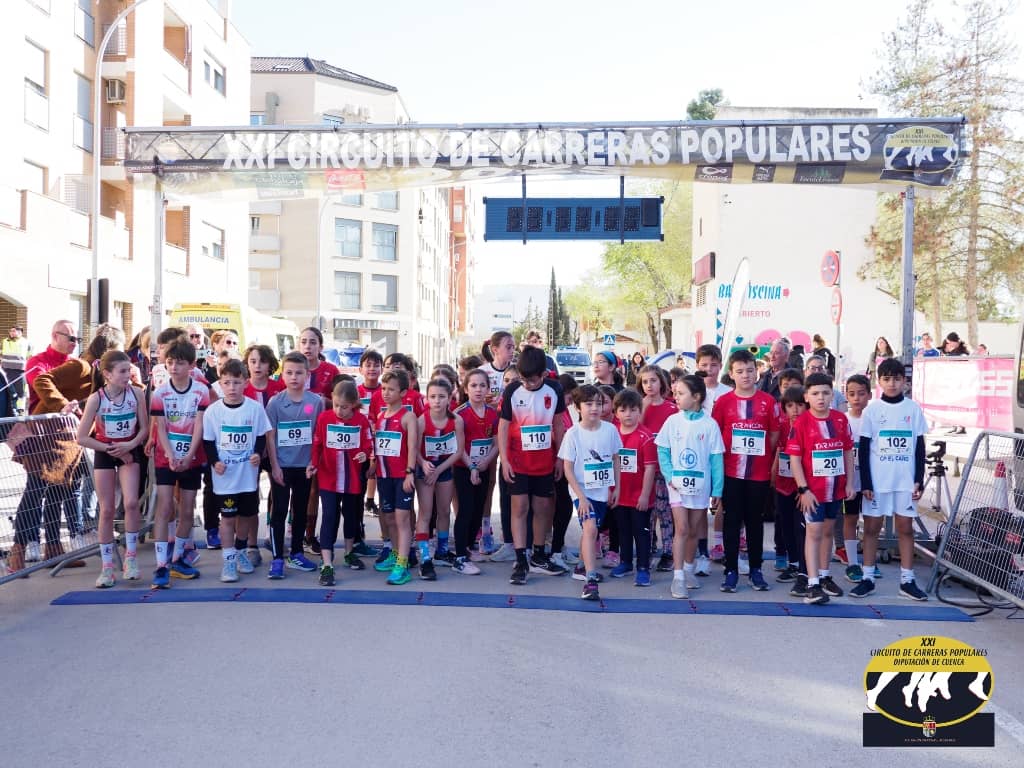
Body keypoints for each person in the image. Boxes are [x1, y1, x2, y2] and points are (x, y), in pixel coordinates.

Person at [854, 357, 929, 601]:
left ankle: (907, 580)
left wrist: (918, 479)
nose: (892, 384)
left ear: (904, 381)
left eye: (897, 379)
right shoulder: (872, 410)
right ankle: (867, 578)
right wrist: (866, 483)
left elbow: (919, 447)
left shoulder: (913, 409)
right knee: (871, 529)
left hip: (905, 481)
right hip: (878, 482)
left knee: (905, 528)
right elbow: (864, 448)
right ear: (879, 381)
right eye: (886, 379)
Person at [712, 349, 785, 593]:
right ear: (731, 374)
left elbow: (774, 435)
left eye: (750, 370)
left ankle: (756, 569)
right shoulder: (723, 402)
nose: (745, 375)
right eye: (740, 371)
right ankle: (730, 569)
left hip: (758, 474)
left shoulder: (768, 402)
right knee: (731, 521)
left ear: (757, 372)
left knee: (755, 522)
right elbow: (716, 436)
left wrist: (763, 457)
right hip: (730, 472)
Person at [74, 350, 149, 588]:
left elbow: (144, 429)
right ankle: (107, 567)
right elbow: (82, 437)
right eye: (123, 371)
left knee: (131, 503)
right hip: (106, 452)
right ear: (107, 374)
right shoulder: (97, 399)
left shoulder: (137, 393)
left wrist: (129, 445)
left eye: (129, 370)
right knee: (106, 509)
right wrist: (110, 449)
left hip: (129, 451)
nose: (128, 375)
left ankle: (131, 558)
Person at [498, 345, 568, 585]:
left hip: (545, 462)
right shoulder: (512, 391)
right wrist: (504, 460)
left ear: (544, 374)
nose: (527, 384)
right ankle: (521, 559)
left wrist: (560, 458)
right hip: (518, 461)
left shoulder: (555, 389)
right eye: (523, 379)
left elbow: (559, 425)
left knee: (542, 507)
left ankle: (538, 555)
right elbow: (503, 427)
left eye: (532, 380)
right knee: (519, 508)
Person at [786, 372, 855, 605]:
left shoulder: (840, 420)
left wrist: (850, 482)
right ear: (806, 396)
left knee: (828, 532)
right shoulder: (802, 423)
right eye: (815, 393)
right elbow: (795, 459)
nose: (821, 398)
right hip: (813, 492)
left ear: (832, 395)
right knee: (813, 533)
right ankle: (812, 583)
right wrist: (803, 490)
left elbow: (847, 451)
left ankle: (825, 576)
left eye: (826, 393)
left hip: (835, 489)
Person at [202, 359, 271, 583]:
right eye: (227, 383)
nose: (232, 388)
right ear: (220, 384)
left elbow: (261, 435)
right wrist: (214, 462)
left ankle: (241, 551)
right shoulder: (213, 411)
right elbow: (208, 441)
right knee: (228, 518)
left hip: (247, 475)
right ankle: (229, 560)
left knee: (247, 516)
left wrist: (258, 453)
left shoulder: (255, 408)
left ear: (245, 383)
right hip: (225, 477)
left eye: (237, 382)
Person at [657, 375, 724, 599]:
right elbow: (663, 450)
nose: (676, 397)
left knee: (694, 530)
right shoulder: (672, 421)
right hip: (677, 485)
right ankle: (678, 578)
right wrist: (669, 476)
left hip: (700, 486)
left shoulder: (710, 425)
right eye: (675, 393)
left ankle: (688, 569)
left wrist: (717, 489)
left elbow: (716, 459)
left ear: (696, 397)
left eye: (681, 393)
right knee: (682, 528)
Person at [149, 339, 210, 588]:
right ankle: (161, 565)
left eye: (180, 363)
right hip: (165, 458)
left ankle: (177, 559)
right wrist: (170, 454)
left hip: (192, 459)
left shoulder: (201, 391)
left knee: (187, 510)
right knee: (164, 508)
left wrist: (189, 454)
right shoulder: (160, 393)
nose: (174, 368)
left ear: (192, 365)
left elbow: (200, 425)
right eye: (170, 362)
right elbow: (160, 427)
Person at [559, 384, 622, 601]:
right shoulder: (573, 434)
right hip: (581, 491)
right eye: (588, 404)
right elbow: (568, 468)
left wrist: (617, 487)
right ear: (577, 408)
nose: (594, 408)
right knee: (590, 528)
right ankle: (591, 580)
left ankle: (580, 566)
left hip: (602, 491)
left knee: (591, 532)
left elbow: (615, 458)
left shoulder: (610, 430)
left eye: (598, 403)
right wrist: (581, 497)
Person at [265, 351, 324, 578]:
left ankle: (297, 553)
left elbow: (318, 435)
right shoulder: (275, 403)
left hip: (304, 467)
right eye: (289, 373)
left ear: (307, 375)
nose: (294, 377)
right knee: (279, 511)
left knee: (300, 511)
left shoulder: (315, 402)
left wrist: (313, 461)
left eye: (299, 373)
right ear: (282, 375)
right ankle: (277, 558)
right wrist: (274, 466)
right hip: (282, 466)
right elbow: (270, 437)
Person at [309, 380, 373, 586]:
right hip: (328, 477)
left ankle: (348, 552)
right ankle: (327, 563)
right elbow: (317, 444)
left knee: (351, 515)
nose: (339, 410)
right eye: (336, 405)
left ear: (353, 404)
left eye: (344, 407)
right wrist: (313, 464)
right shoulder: (325, 418)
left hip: (352, 477)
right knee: (329, 516)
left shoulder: (361, 421)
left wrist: (365, 454)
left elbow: (368, 444)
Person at [413, 377, 464, 580]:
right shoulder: (421, 420)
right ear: (427, 398)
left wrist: (440, 469)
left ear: (449, 398)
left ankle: (442, 550)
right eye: (432, 396)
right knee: (425, 513)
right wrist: (423, 463)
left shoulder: (456, 421)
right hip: (425, 469)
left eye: (441, 396)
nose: (437, 401)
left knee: (444, 511)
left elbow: (458, 451)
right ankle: (425, 557)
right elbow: (413, 449)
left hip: (444, 468)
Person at [372, 369, 419, 585]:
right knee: (389, 517)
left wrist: (410, 472)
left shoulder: (408, 417)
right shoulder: (381, 416)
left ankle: (403, 563)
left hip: (402, 476)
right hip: (384, 476)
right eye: (383, 388)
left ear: (403, 392)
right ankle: (395, 553)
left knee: (402, 519)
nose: (385, 393)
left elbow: (412, 447)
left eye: (391, 389)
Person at [452, 368, 499, 574]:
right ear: (466, 389)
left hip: (483, 467)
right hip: (464, 468)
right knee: (466, 509)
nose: (478, 389)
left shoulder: (492, 414)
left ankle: (470, 547)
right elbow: (458, 446)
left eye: (482, 385)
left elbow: (496, 443)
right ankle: (460, 557)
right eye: (473, 385)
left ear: (488, 388)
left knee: (479, 508)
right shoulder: (460, 414)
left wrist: (486, 461)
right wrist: (471, 466)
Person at [298, 326, 341, 553]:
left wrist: (322, 401)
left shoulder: (330, 370)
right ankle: (288, 531)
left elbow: (343, 400)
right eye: (304, 341)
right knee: (291, 488)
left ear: (321, 347)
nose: (308, 346)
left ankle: (309, 535)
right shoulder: (292, 366)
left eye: (313, 342)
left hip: (322, 437)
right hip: (296, 437)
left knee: (314, 488)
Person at [610, 388, 657, 585]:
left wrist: (645, 495)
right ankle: (626, 562)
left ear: (640, 411)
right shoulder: (612, 433)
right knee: (623, 530)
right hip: (619, 495)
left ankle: (643, 567)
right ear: (616, 412)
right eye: (623, 410)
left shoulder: (646, 437)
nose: (628, 414)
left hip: (639, 497)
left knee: (641, 532)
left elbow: (650, 468)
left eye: (633, 410)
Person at [695, 344, 731, 574]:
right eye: (704, 365)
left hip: (721, 452)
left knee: (722, 501)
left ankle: (720, 543)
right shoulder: (693, 389)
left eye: (714, 365)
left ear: (720, 366)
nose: (709, 369)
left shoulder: (728, 392)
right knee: (699, 506)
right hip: (697, 453)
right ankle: (701, 553)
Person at [637, 364, 677, 573]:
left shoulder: (672, 408)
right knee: (648, 511)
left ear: (661, 382)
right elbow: (635, 429)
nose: (649, 385)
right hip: (645, 469)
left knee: (665, 511)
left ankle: (668, 551)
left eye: (653, 380)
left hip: (665, 468)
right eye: (645, 382)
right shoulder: (638, 407)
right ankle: (649, 548)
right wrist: (642, 409)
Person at [773, 386, 807, 593]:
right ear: (784, 408)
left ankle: (804, 567)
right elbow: (778, 450)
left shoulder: (809, 426)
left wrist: (804, 487)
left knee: (800, 527)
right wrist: (772, 473)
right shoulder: (782, 426)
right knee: (785, 524)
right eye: (790, 405)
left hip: (802, 487)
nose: (795, 410)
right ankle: (792, 562)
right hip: (782, 483)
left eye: (800, 405)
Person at [839, 374, 871, 582]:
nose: (857, 398)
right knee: (850, 519)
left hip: (868, 482)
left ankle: (869, 563)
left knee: (870, 522)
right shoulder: (842, 420)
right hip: (849, 482)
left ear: (869, 395)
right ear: (846, 396)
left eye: (861, 393)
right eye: (852, 394)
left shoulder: (873, 419)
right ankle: (852, 563)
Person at [480, 331, 516, 407]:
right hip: (489, 413)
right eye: (508, 347)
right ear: (495, 350)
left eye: (513, 347)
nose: (512, 351)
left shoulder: (517, 370)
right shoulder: (482, 371)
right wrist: (482, 398)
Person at [2, 325, 30, 414]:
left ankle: (20, 409)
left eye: (14, 331)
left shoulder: (26, 342)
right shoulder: (5, 341)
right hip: (6, 370)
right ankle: (10, 408)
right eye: (10, 331)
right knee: (7, 390)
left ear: (20, 332)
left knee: (20, 391)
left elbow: (29, 355)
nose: (11, 333)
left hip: (19, 371)